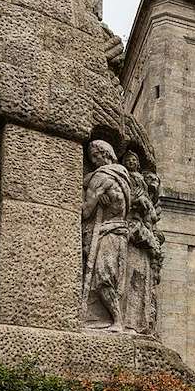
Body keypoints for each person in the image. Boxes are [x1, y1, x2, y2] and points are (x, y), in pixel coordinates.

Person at [82, 140, 131, 328]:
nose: (94, 161)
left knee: (103, 278)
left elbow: (86, 211)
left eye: (96, 156)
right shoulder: (122, 175)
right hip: (119, 232)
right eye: (91, 158)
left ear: (106, 153)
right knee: (108, 278)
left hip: (108, 233)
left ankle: (117, 321)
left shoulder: (101, 177)